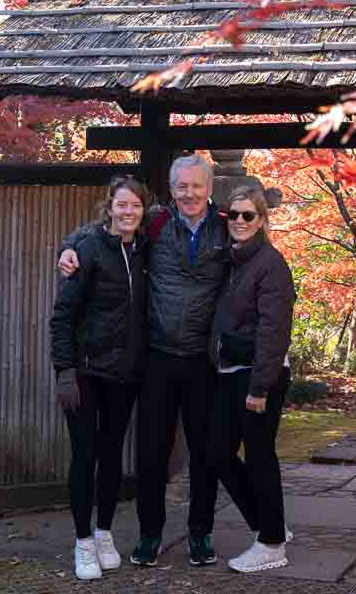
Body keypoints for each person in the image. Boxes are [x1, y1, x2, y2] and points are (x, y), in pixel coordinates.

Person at [58, 154, 226, 569]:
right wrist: (67, 247)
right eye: (181, 186)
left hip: (203, 358)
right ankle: (150, 535)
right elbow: (105, 228)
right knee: (151, 453)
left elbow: (258, 244)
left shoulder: (226, 226)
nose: (189, 193)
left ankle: (200, 534)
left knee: (204, 451)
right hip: (157, 358)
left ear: (209, 187)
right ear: (171, 188)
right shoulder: (155, 223)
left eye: (196, 186)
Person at [50, 175, 150, 582]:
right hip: (86, 373)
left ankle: (105, 533)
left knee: (112, 457)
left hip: (123, 376)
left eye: (136, 206)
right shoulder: (88, 249)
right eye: (121, 205)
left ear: (144, 211)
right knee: (85, 455)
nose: (128, 212)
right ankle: (82, 543)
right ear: (109, 207)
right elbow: (62, 317)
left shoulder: (145, 248)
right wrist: (65, 372)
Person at [207, 185, 295, 573]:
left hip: (260, 376)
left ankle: (272, 544)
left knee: (259, 456)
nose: (239, 222)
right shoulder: (233, 260)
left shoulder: (270, 263)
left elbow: (274, 330)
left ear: (262, 219)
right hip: (231, 371)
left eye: (248, 215)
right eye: (233, 215)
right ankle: (268, 524)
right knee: (217, 453)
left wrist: (260, 386)